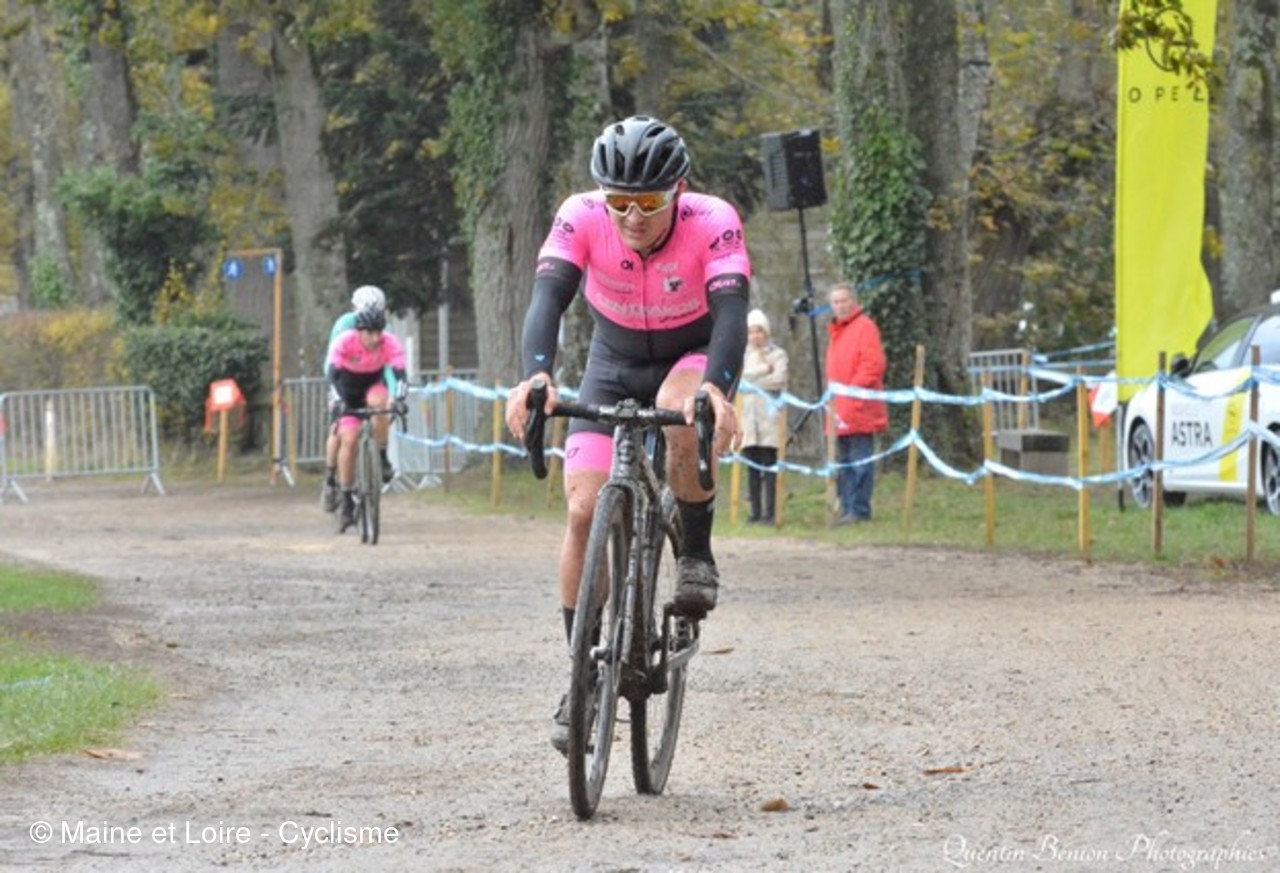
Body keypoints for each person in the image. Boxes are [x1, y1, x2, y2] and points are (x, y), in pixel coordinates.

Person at [503, 115, 751, 754]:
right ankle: (582, 675)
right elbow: (548, 298)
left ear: (679, 189)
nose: (632, 216)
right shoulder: (580, 215)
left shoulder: (713, 220)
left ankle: (695, 552)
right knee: (582, 510)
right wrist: (536, 376)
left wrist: (716, 389)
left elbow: (732, 312)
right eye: (619, 202)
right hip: (611, 362)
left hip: (690, 354)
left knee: (679, 410)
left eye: (648, 202)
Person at [326, 305, 408, 532]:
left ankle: (381, 456)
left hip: (373, 385)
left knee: (381, 406)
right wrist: (337, 402)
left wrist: (399, 399)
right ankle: (346, 499)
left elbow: (401, 376)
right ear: (359, 331)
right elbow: (331, 378)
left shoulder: (390, 343)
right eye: (370, 333)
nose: (375, 338)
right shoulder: (344, 342)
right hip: (346, 390)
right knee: (349, 439)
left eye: (379, 332)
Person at [321, 285, 396, 512]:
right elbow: (332, 362)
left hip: (372, 380)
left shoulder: (383, 329)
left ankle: (381, 455)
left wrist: (393, 395)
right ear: (354, 310)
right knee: (339, 430)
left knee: (381, 409)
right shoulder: (344, 325)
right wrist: (335, 393)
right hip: (345, 380)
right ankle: (330, 478)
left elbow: (390, 365)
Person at [824, 282, 887, 524]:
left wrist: (851, 392)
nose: (840, 306)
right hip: (839, 409)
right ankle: (847, 507)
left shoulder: (865, 327)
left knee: (860, 462)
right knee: (845, 462)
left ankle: (859, 509)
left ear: (853, 301)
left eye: (843, 300)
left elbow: (872, 365)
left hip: (860, 407)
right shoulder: (836, 333)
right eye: (835, 302)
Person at [739, 308, 788, 525]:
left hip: (769, 422)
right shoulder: (744, 356)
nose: (755, 336)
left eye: (759, 331)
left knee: (769, 469)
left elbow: (778, 380)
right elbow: (740, 379)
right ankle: (754, 512)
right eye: (751, 332)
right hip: (749, 422)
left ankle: (770, 512)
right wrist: (761, 371)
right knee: (752, 470)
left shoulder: (778, 355)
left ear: (766, 332)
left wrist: (753, 383)